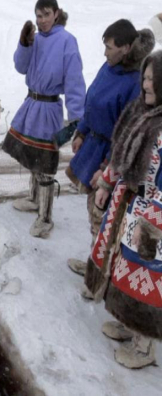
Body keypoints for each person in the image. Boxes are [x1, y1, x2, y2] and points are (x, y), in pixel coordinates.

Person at [85, 49, 162, 370]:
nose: (144, 84)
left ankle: (145, 347)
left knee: (147, 277)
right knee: (123, 267)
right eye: (144, 77)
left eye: (151, 79)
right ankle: (130, 325)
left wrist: (153, 223)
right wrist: (107, 183)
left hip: (153, 217)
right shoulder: (145, 113)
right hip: (131, 204)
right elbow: (123, 155)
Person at [66, 21, 154, 276]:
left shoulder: (133, 84)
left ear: (126, 48)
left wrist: (106, 169)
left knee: (102, 214)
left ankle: (101, 273)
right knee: (93, 210)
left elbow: (125, 133)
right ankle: (95, 261)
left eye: (110, 47)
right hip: (93, 145)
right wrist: (82, 130)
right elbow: (92, 100)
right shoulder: (109, 67)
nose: (105, 52)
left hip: (110, 155)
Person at [3, 0, 85, 238]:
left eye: (47, 15)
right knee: (30, 156)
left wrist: (76, 118)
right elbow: (20, 67)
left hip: (49, 108)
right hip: (31, 103)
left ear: (56, 14)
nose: (42, 20)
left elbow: (74, 81)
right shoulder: (36, 39)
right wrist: (25, 43)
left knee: (45, 164)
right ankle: (33, 198)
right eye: (38, 15)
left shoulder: (68, 41)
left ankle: (46, 217)